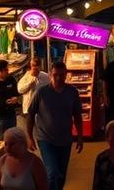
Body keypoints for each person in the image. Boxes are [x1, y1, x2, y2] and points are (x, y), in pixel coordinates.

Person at [27, 61, 83, 190]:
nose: (58, 78)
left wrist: (80, 137)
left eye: (62, 75)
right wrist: (29, 137)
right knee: (52, 172)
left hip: (65, 140)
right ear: (51, 74)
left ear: (66, 74)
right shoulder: (42, 92)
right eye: (56, 74)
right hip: (45, 139)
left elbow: (77, 115)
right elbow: (30, 114)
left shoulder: (72, 92)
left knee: (61, 174)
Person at [17, 58, 49, 132]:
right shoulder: (26, 77)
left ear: (40, 66)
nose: (35, 67)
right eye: (33, 66)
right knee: (31, 130)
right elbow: (20, 90)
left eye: (37, 65)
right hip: (29, 109)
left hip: (42, 109)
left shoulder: (45, 76)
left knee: (42, 130)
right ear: (30, 67)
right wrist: (30, 82)